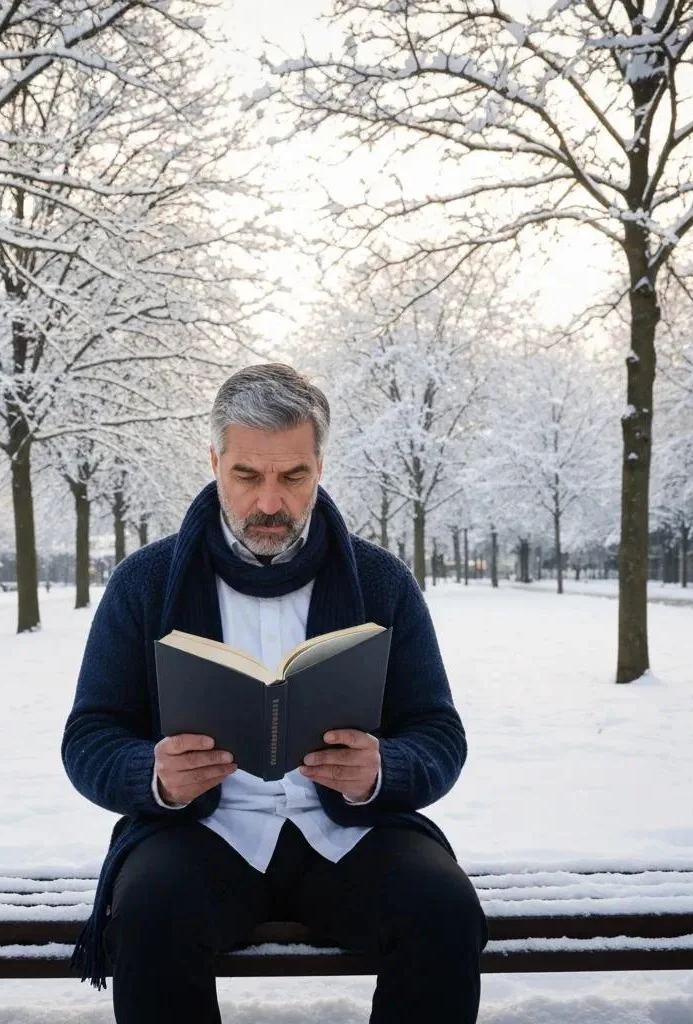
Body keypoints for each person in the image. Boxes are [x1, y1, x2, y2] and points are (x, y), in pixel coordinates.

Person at [62, 363, 487, 1023]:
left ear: (319, 464)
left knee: (444, 911)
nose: (269, 502)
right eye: (246, 476)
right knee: (150, 914)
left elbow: (439, 733)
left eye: (293, 477)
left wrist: (382, 769)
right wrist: (154, 775)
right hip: (200, 833)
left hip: (347, 834)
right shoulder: (144, 583)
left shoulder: (381, 582)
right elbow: (89, 738)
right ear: (214, 461)